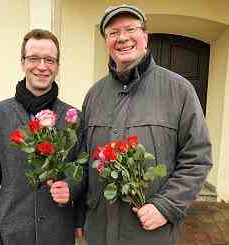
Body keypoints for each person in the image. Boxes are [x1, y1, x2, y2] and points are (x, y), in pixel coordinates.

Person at [80, 5, 212, 245]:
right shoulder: (94, 95)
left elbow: (197, 158)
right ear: (106, 41)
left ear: (145, 36)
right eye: (113, 32)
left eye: (131, 29)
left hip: (150, 235)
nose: (122, 38)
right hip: (98, 234)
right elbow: (83, 159)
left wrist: (167, 206)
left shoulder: (179, 90)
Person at [0, 29, 84, 245]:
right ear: (22, 62)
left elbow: (83, 172)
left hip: (58, 235)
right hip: (11, 236)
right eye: (34, 58)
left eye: (49, 60)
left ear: (57, 66)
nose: (42, 66)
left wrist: (70, 187)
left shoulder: (73, 118)